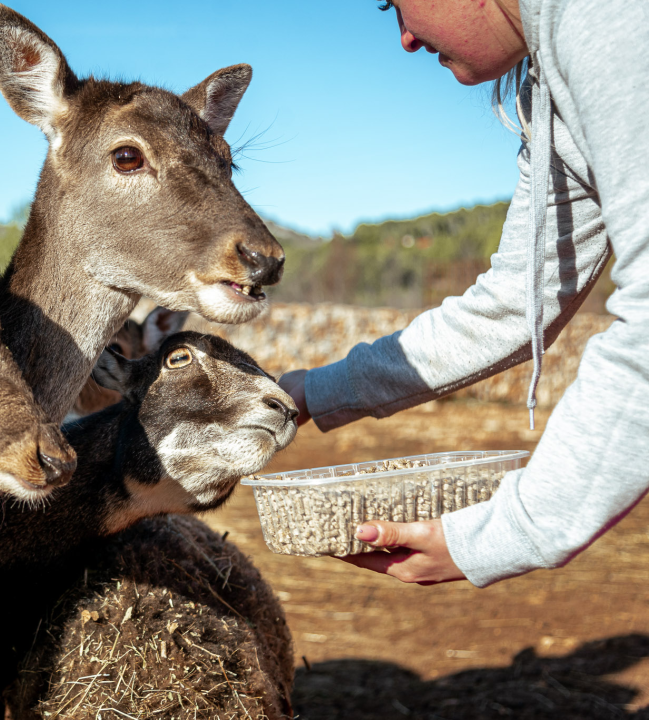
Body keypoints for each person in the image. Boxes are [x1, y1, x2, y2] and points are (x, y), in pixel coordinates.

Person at [278, 0, 649, 587]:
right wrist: (313, 391)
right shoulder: (549, 91)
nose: (405, 36)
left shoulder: (606, 21)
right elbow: (515, 302)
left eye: (395, 3)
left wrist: (507, 533)